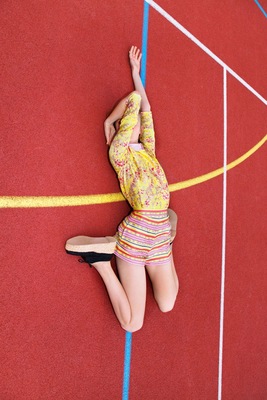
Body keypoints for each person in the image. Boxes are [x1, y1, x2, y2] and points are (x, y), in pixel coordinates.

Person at [66, 46, 179, 332]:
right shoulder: (121, 154)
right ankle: (102, 261)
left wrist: (135, 73)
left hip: (159, 234)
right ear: (123, 128)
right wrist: (108, 121)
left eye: (141, 124)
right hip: (139, 232)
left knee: (167, 304)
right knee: (132, 324)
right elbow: (135, 100)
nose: (141, 123)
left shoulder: (148, 151)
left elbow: (146, 108)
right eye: (135, 123)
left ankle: (168, 228)